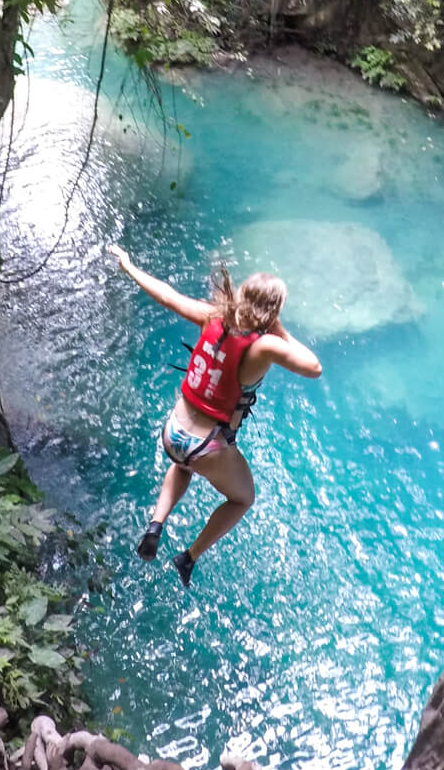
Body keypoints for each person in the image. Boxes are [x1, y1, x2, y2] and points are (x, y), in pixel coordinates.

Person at [107, 244, 322, 587]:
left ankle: (156, 524)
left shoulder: (213, 316)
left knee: (182, 465)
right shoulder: (264, 345)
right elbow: (314, 367)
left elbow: (168, 296)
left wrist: (130, 266)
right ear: (272, 312)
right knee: (243, 498)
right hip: (207, 446)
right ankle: (188, 557)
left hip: (173, 431)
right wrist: (278, 328)